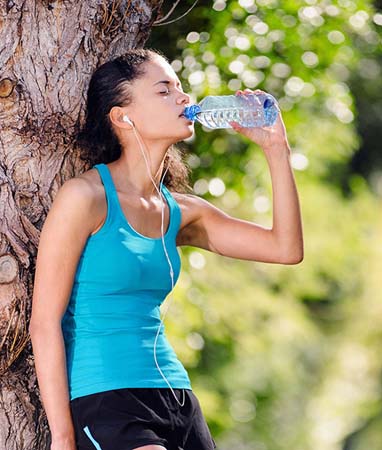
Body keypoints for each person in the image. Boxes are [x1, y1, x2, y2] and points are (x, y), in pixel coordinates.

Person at [29, 48, 303, 450]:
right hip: (107, 398)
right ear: (123, 117)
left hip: (176, 397)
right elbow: (44, 322)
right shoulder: (85, 197)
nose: (184, 98)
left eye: (180, 87)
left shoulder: (181, 212)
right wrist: (63, 436)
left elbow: (285, 248)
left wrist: (276, 150)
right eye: (164, 90)